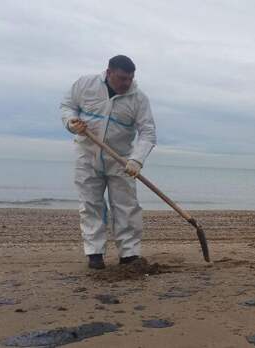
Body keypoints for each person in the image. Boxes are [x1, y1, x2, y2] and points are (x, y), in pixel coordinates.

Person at [60, 55, 157, 269]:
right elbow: (67, 106)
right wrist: (71, 122)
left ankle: (129, 254)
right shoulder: (85, 84)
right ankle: (95, 253)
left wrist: (136, 160)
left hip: (121, 159)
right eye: (122, 78)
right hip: (86, 154)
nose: (126, 83)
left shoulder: (138, 99)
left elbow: (148, 132)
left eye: (130, 78)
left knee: (126, 206)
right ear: (109, 72)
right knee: (90, 204)